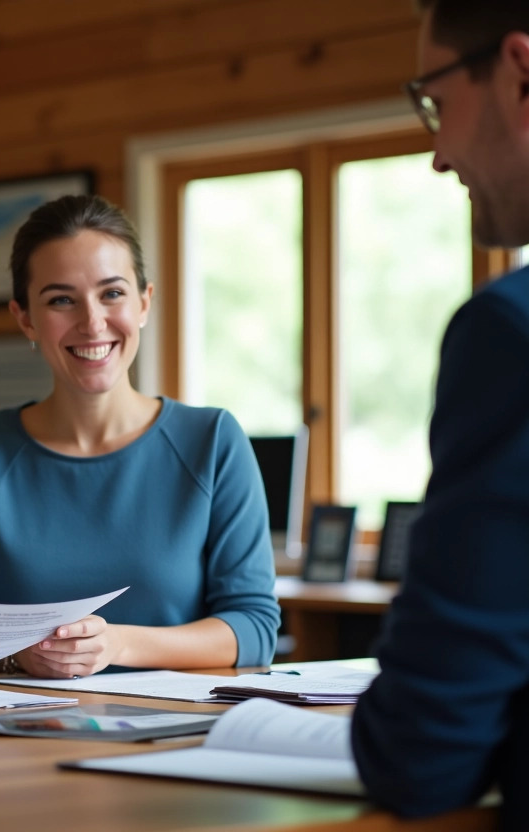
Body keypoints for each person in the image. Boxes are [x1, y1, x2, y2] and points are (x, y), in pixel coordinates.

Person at [0, 194, 280, 677]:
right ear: (25, 318)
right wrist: (16, 653)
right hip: (14, 730)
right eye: (61, 299)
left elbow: (254, 628)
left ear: (145, 302)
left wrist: (117, 644)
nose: (92, 322)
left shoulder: (212, 440)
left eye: (112, 293)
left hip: (177, 735)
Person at [350, 2, 529, 827]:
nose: (437, 153)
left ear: (520, 69)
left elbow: (424, 753)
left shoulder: (512, 330)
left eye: (434, 101)